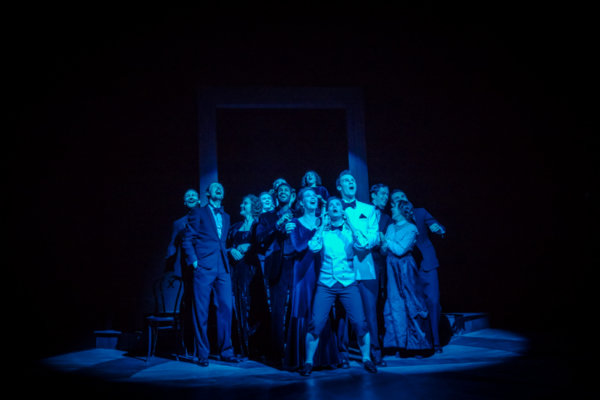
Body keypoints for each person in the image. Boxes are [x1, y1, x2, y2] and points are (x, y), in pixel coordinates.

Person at [300, 197, 378, 376]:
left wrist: (351, 224)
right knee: (316, 323)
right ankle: (308, 362)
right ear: (327, 211)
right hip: (326, 283)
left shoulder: (350, 231)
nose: (334, 207)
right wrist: (321, 226)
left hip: (348, 282)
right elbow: (313, 247)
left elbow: (363, 244)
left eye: (338, 205)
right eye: (331, 205)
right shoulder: (323, 231)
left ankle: (366, 358)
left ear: (343, 210)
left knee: (359, 322)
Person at [181, 182, 241, 366]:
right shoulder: (198, 212)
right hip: (204, 266)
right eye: (214, 186)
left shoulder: (226, 216)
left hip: (223, 267)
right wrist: (194, 261)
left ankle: (226, 351)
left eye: (221, 186)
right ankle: (203, 353)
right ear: (207, 193)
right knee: (201, 310)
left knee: (226, 308)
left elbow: (221, 242)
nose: (219, 188)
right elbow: (187, 239)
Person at [283, 187, 340, 371]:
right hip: (303, 272)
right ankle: (303, 359)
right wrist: (318, 229)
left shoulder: (325, 220)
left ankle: (324, 357)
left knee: (321, 310)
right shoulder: (295, 222)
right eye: (308, 195)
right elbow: (299, 247)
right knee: (304, 309)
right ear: (301, 202)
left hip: (322, 269)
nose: (313, 197)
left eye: (315, 195)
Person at [335, 170, 383, 367]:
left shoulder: (368, 209)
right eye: (346, 180)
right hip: (341, 267)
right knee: (343, 314)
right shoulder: (333, 209)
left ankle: (375, 352)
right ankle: (342, 354)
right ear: (339, 186)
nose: (351, 182)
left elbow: (374, 235)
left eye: (352, 180)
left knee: (369, 312)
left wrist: (363, 243)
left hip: (364, 265)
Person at [390, 189, 446, 353]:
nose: (401, 199)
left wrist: (439, 229)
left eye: (403, 196)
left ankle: (436, 342)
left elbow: (437, 225)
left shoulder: (420, 213)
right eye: (396, 199)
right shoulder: (394, 222)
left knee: (433, 301)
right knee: (415, 305)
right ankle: (421, 344)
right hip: (407, 268)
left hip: (427, 264)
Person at [255, 181, 296, 367]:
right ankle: (277, 352)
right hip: (277, 263)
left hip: (297, 264)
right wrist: (277, 224)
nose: (283, 192)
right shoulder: (267, 217)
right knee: (278, 309)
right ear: (276, 195)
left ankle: (295, 350)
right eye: (280, 190)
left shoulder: (299, 214)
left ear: (292, 194)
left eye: (287, 189)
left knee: (296, 307)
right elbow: (259, 238)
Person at [381, 199, 431, 353]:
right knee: (395, 304)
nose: (391, 209)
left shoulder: (411, 228)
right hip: (391, 268)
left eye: (394, 207)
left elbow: (400, 250)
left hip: (405, 269)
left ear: (402, 210)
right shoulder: (390, 227)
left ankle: (418, 345)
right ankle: (399, 344)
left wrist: (386, 241)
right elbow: (384, 251)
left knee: (410, 302)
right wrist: (385, 245)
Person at [226, 194, 268, 360]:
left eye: (246, 203)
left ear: (254, 206)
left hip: (252, 270)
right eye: (242, 203)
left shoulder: (259, 225)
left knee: (254, 305)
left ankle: (257, 347)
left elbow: (264, 243)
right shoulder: (235, 227)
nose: (242, 205)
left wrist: (250, 246)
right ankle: (242, 347)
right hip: (237, 270)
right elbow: (225, 246)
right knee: (240, 306)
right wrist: (231, 250)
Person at [369, 183, 392, 358]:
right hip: (362, 262)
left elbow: (386, 244)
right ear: (373, 195)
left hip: (379, 265)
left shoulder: (387, 219)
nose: (385, 197)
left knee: (378, 304)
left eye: (387, 194)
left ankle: (378, 344)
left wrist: (383, 243)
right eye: (382, 193)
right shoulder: (364, 212)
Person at [165, 189, 199, 277]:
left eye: (193, 195)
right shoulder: (178, 223)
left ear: (199, 200)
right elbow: (173, 244)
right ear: (184, 202)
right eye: (188, 196)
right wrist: (169, 266)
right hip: (188, 264)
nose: (191, 197)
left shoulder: (208, 218)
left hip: (207, 260)